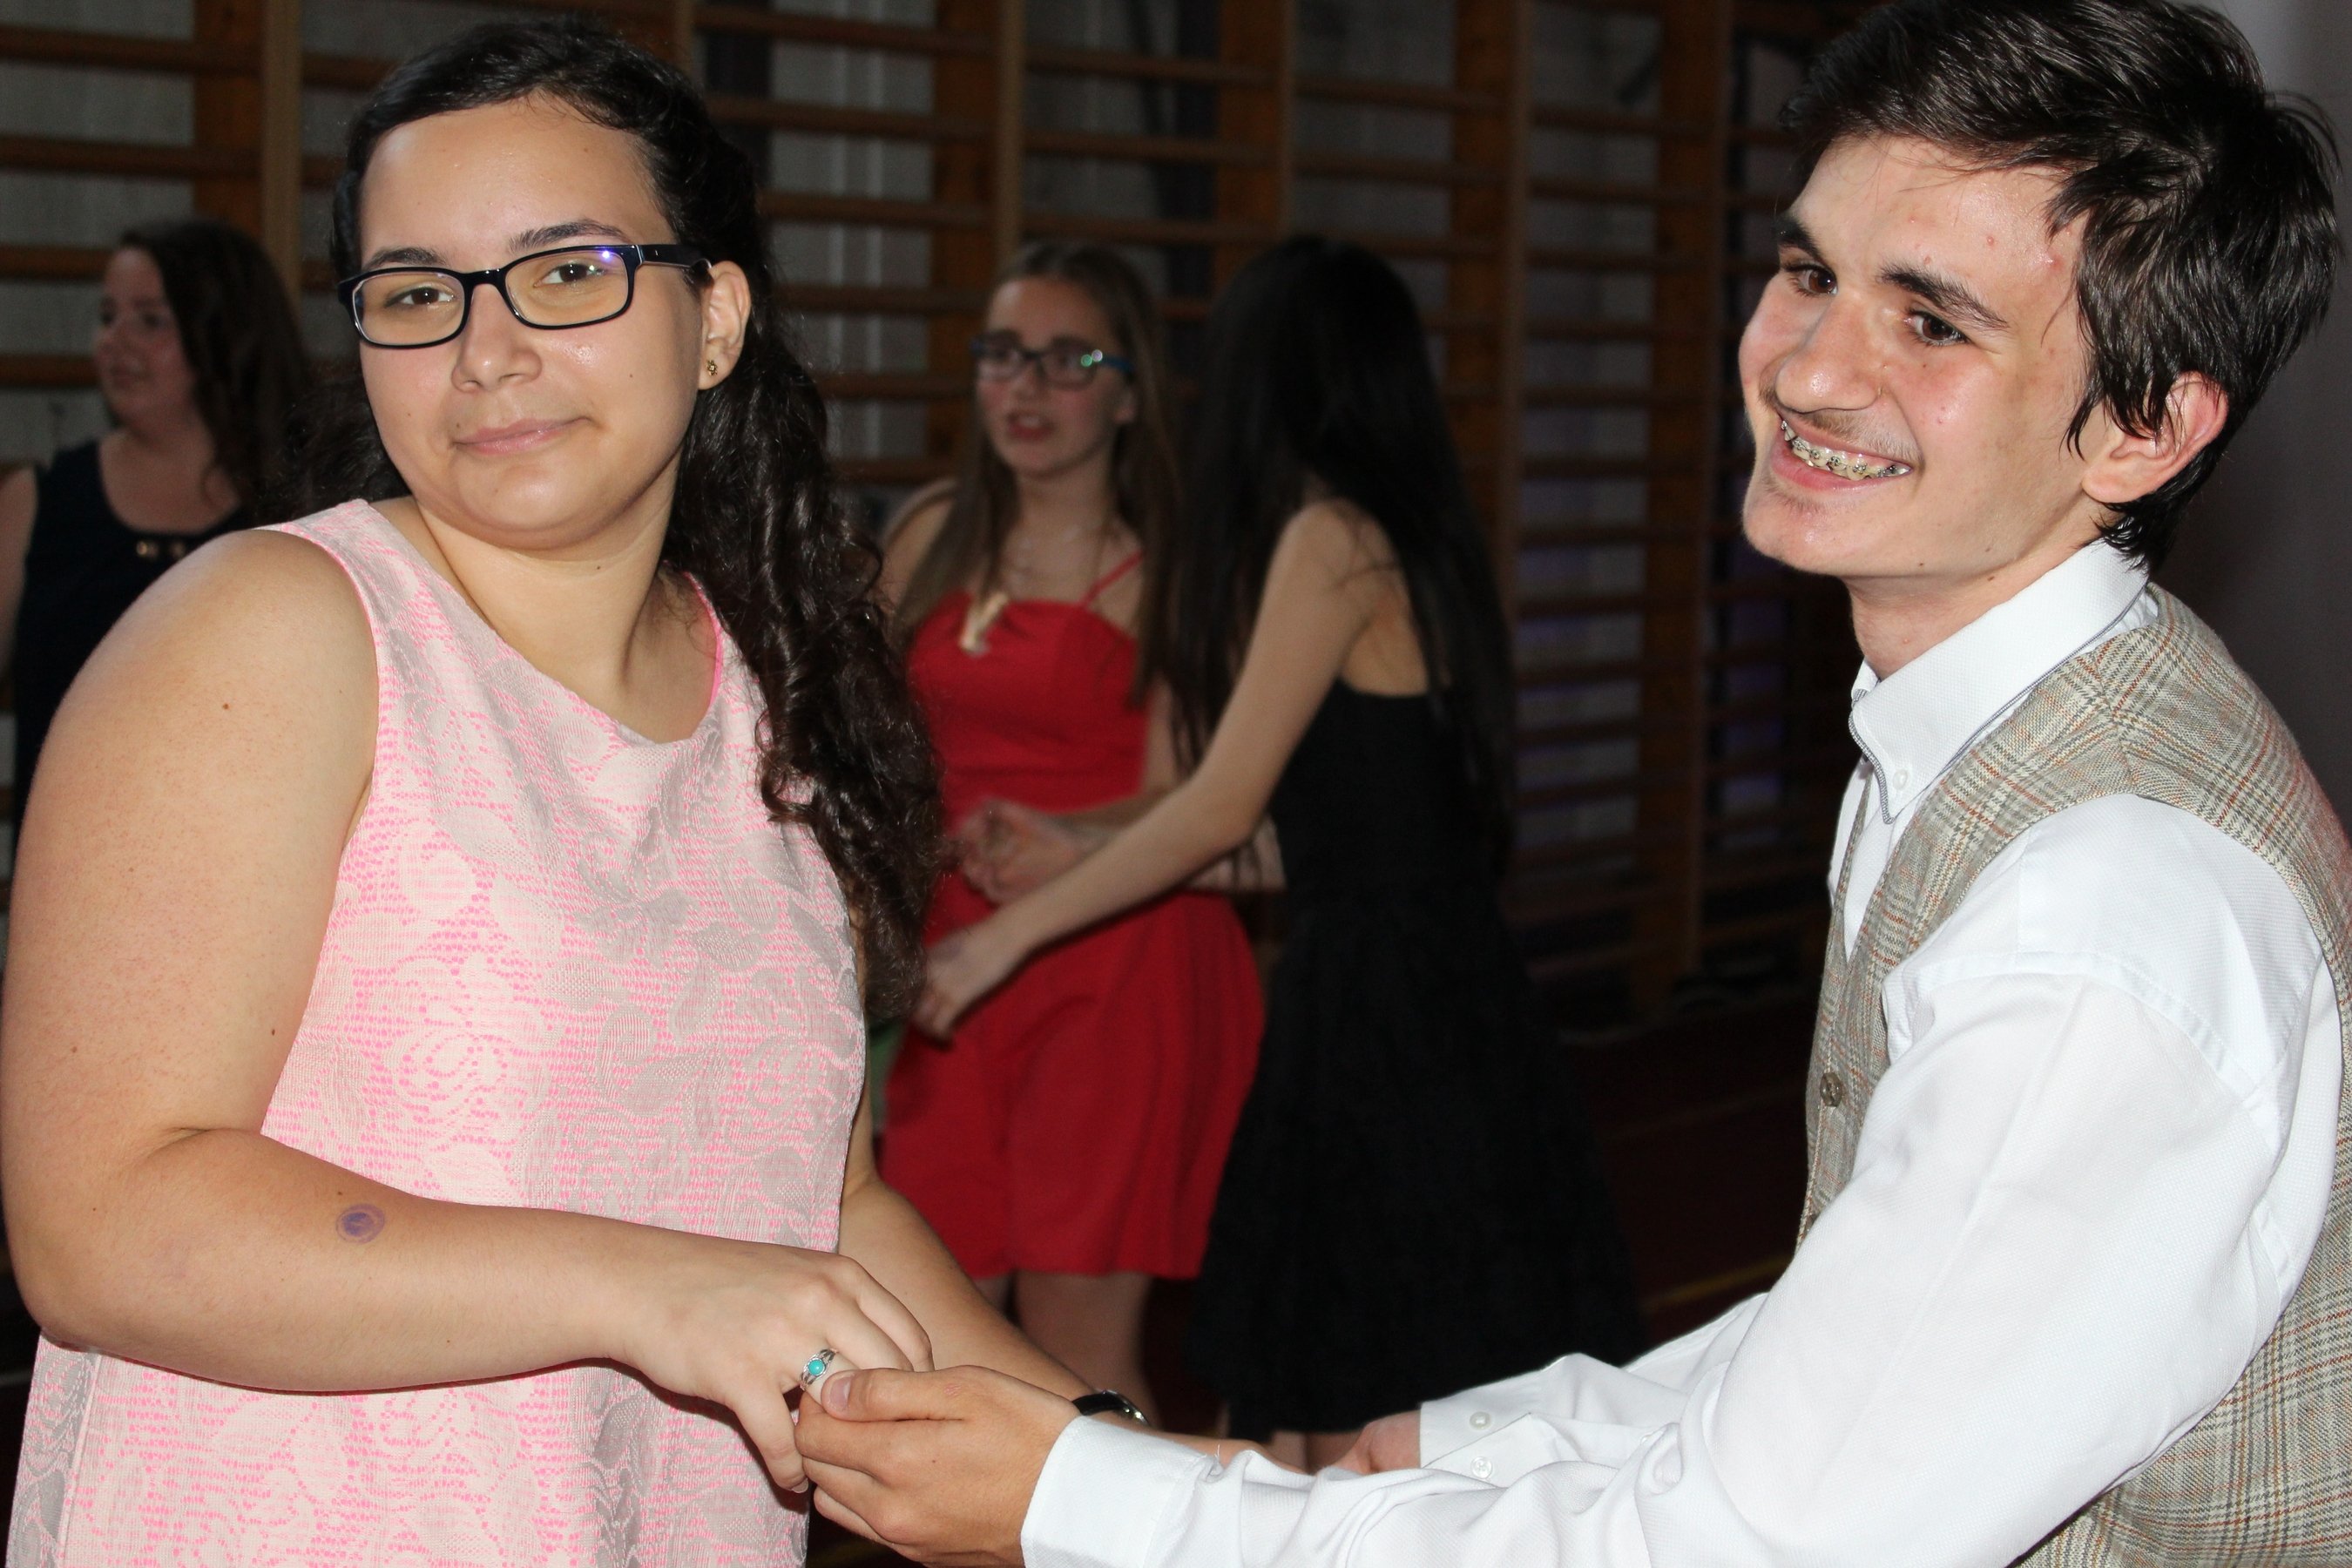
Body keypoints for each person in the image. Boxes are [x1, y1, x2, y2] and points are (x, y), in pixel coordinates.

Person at [792, 1, 2352, 1563]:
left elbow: (1732, 1545)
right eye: (1810, 272)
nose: (1810, 369)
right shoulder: (1990, 744)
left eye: (1932, 323)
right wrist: (1487, 1438)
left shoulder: (2096, 917)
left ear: (2145, 428)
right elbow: (1866, 1344)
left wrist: (1080, 1503)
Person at [0, 21, 1160, 1565]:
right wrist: (651, 1286)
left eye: (567, 272)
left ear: (714, 318)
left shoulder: (765, 688)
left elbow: (822, 1213)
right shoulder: (273, 630)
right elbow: (102, 1228)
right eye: (418, 294)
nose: (486, 352)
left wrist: (1140, 1493)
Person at [905, 233, 1644, 1470]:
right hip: (1421, 991)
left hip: (1383, 1015)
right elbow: (1315, 839)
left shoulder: (1333, 541)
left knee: (1354, 1404)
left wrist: (1000, 940)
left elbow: (1215, 806)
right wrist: (1074, 838)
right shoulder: (1416, 533)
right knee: (1348, 1407)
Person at [877, 240, 1262, 1422]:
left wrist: (1062, 832)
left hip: (1116, 959)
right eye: (1003, 356)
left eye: (1069, 361)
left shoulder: (1172, 566)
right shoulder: (933, 531)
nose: (1027, 388)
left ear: (1130, 392)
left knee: (1077, 1352)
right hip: (949, 966)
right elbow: (865, 741)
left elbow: (1206, 801)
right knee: (933, 1335)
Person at [0, 218, 310, 828]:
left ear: (223, 335)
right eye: (107, 316)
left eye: (150, 320)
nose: (115, 341)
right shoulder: (38, 501)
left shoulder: (300, 510)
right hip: (70, 867)